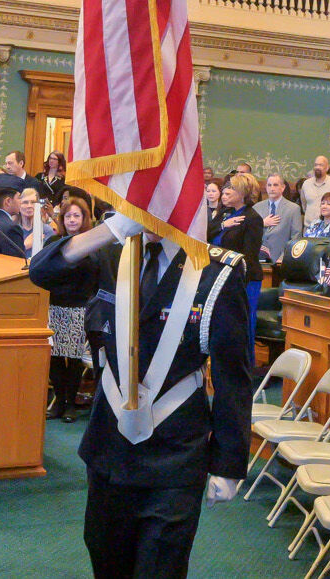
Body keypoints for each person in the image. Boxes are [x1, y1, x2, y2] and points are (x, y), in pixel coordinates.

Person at [28, 214, 251, 579]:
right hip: (109, 451)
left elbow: (233, 377)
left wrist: (228, 463)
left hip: (174, 456)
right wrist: (110, 230)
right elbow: (41, 272)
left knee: (159, 569)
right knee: (107, 563)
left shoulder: (216, 272)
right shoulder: (111, 255)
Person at [42, 196, 101, 422]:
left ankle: (69, 405)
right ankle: (58, 401)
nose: (72, 219)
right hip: (55, 305)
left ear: (84, 218)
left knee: (74, 358)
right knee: (55, 357)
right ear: (62, 219)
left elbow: (96, 273)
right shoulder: (54, 243)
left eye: (77, 215)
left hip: (79, 307)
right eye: (68, 216)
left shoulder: (91, 243)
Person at [210, 174, 265, 348]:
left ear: (242, 193)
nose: (226, 192)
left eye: (231, 189)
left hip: (243, 279)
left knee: (242, 324)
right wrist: (223, 226)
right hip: (219, 276)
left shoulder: (252, 218)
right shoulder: (225, 213)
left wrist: (238, 279)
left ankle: (244, 366)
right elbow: (205, 233)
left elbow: (249, 255)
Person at [253, 173, 303, 262]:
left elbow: (296, 238)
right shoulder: (257, 207)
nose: (272, 188)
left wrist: (283, 258)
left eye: (275, 185)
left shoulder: (293, 209)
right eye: (269, 185)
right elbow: (250, 233)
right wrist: (261, 223)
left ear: (283, 187)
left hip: (281, 260)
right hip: (258, 259)